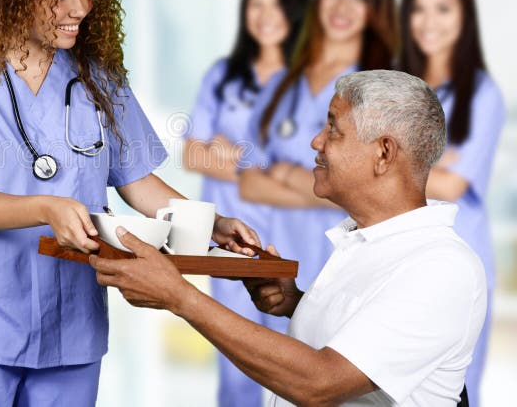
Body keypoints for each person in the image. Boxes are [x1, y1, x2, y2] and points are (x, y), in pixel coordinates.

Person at [0, 0, 260, 406]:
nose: (79, 9)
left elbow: (138, 183)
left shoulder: (97, 77)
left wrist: (210, 225)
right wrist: (46, 208)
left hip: (69, 326)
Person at [92, 70, 487, 406]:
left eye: (333, 129)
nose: (316, 142)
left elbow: (319, 383)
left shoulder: (440, 268)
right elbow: (369, 339)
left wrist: (180, 297)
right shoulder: (366, 240)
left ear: (384, 153)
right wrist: (297, 304)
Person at [238, 0, 397, 296]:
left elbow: (377, 194)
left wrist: (283, 173)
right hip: (275, 262)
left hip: (345, 267)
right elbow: (249, 183)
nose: (342, 7)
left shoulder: (382, 89)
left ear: (375, 9)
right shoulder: (281, 84)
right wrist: (330, 188)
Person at [183, 0, 308, 407]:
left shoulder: (309, 81)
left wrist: (228, 152)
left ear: (295, 11)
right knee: (236, 360)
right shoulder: (223, 76)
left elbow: (308, 171)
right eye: (256, 4)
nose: (265, 15)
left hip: (295, 236)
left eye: (276, 4)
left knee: (297, 356)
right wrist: (266, 165)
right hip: (234, 242)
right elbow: (192, 153)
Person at [398, 0, 505, 407]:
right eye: (419, 8)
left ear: (465, 16)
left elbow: (453, 186)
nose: (429, 21)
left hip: (459, 268)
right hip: (399, 261)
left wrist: (394, 157)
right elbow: (364, 164)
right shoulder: (395, 86)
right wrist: (434, 163)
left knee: (453, 393)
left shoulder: (482, 93)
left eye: (443, 8)